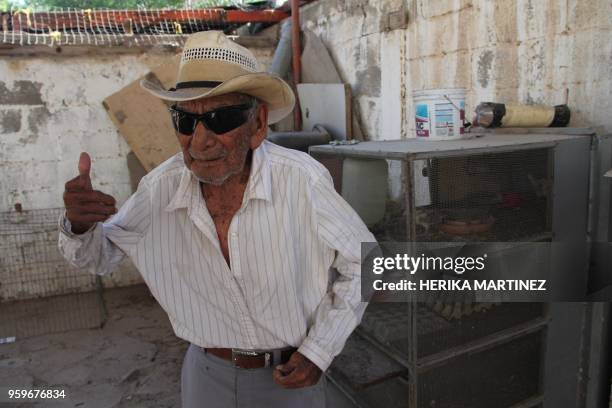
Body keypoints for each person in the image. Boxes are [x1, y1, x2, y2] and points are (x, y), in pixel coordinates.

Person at [59, 30, 374, 408]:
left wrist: (320, 350)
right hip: (207, 376)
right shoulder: (160, 189)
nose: (200, 141)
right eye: (186, 121)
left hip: (292, 374)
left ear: (258, 124)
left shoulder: (301, 180)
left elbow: (367, 260)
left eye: (220, 118)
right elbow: (98, 257)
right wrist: (80, 226)